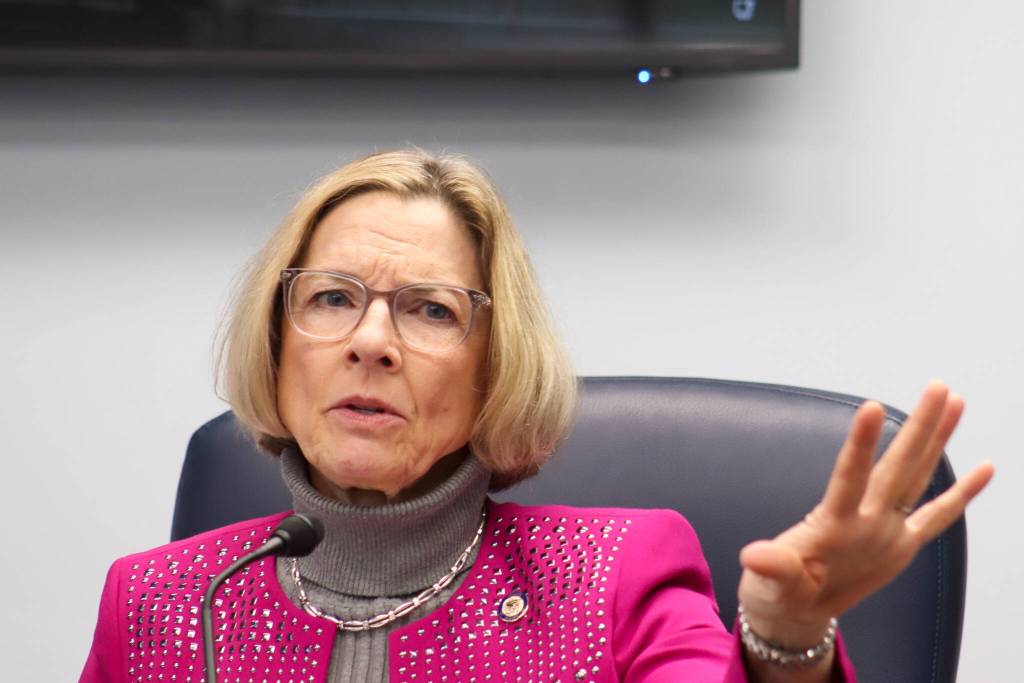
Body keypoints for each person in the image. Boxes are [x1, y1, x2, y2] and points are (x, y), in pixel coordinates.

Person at [80, 149, 994, 683]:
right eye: (330, 298)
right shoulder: (157, 600)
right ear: (278, 341)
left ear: (494, 371)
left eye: (431, 309)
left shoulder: (615, 576)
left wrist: (781, 640)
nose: (370, 340)